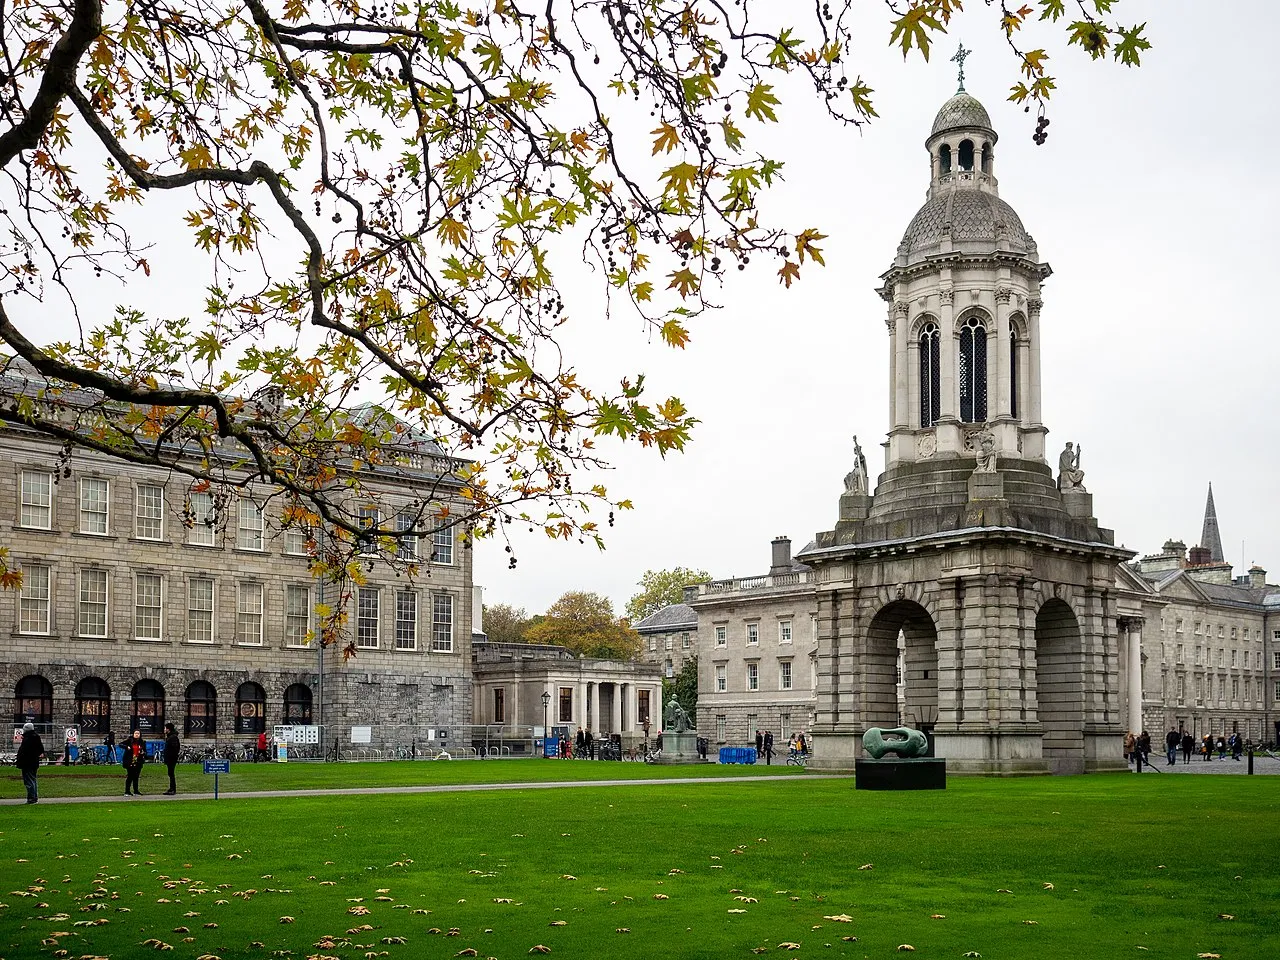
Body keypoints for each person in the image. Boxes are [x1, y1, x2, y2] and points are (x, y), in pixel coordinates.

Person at [16, 722, 44, 804]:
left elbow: (24, 751)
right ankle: (34, 797)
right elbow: (40, 749)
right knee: (33, 780)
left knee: (29, 781)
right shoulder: (36, 737)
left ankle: (32, 798)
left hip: (27, 763)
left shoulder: (28, 739)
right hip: (34, 762)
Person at [122, 729, 146, 795]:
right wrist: (127, 747)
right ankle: (127, 791)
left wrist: (143, 753)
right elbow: (121, 744)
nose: (137, 734)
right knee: (130, 776)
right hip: (130, 761)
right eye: (135, 733)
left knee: (136, 777)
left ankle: (136, 791)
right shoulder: (130, 740)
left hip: (138, 761)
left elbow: (145, 751)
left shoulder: (142, 742)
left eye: (138, 733)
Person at [163, 722, 181, 795]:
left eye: (165, 728)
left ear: (168, 729)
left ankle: (173, 789)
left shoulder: (173, 737)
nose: (164, 730)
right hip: (170, 758)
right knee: (170, 773)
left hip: (171, 758)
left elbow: (175, 748)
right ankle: (171, 788)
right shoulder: (170, 737)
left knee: (171, 774)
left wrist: (171, 756)